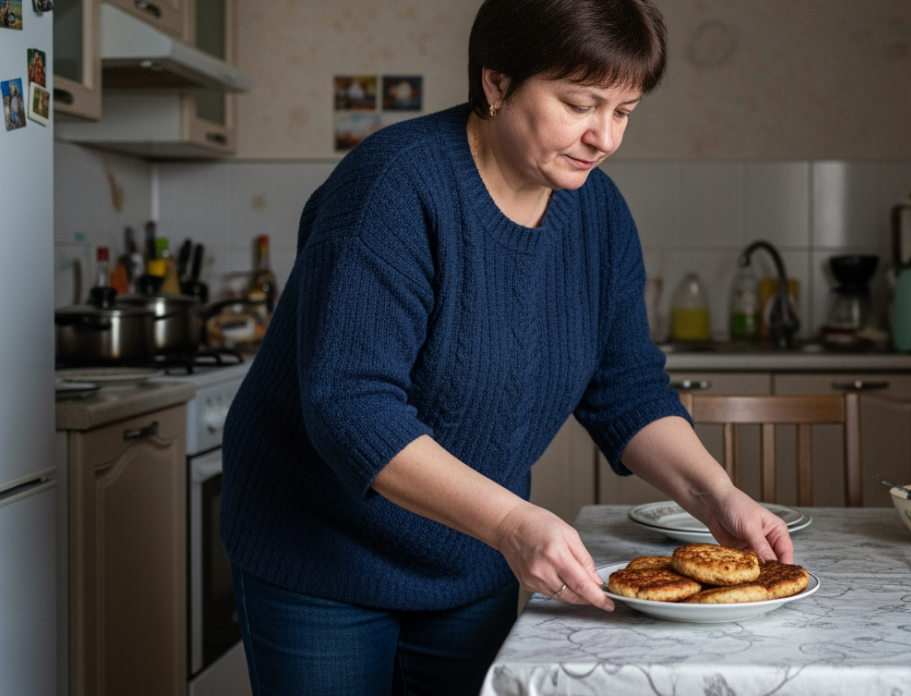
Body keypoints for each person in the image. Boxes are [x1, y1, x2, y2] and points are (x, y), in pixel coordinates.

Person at [221, 1, 793, 694]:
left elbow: (627, 387)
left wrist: (717, 497)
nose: (604, 136)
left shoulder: (598, 214)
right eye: (580, 104)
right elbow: (351, 407)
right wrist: (513, 522)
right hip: (323, 557)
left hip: (473, 556)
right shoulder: (391, 188)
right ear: (496, 85)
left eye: (624, 112)